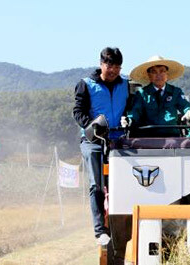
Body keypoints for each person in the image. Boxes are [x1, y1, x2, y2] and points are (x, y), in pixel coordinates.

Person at [72, 47, 129, 246]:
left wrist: (128, 120)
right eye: (109, 65)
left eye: (117, 67)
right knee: (97, 183)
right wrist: (92, 125)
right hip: (93, 141)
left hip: (119, 140)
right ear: (101, 64)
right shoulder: (86, 85)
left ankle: (122, 225)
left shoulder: (126, 85)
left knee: (122, 182)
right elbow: (78, 112)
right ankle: (99, 230)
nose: (113, 70)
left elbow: (131, 108)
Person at [123, 55, 190, 136]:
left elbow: (184, 105)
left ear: (167, 74)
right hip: (149, 138)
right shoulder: (141, 94)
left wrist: (189, 111)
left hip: (172, 136)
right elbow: (135, 112)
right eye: (154, 72)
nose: (158, 75)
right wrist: (129, 120)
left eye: (162, 71)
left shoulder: (175, 92)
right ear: (149, 75)